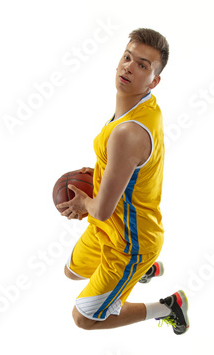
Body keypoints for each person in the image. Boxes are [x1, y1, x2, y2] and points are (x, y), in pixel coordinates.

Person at [57, 28, 189, 335]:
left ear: (154, 81)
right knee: (71, 271)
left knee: (84, 318)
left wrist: (82, 202)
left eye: (143, 65)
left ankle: (169, 306)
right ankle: (145, 272)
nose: (129, 66)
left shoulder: (128, 133)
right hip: (113, 226)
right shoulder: (138, 104)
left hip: (131, 243)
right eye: (127, 57)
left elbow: (100, 210)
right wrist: (99, 174)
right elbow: (125, 168)